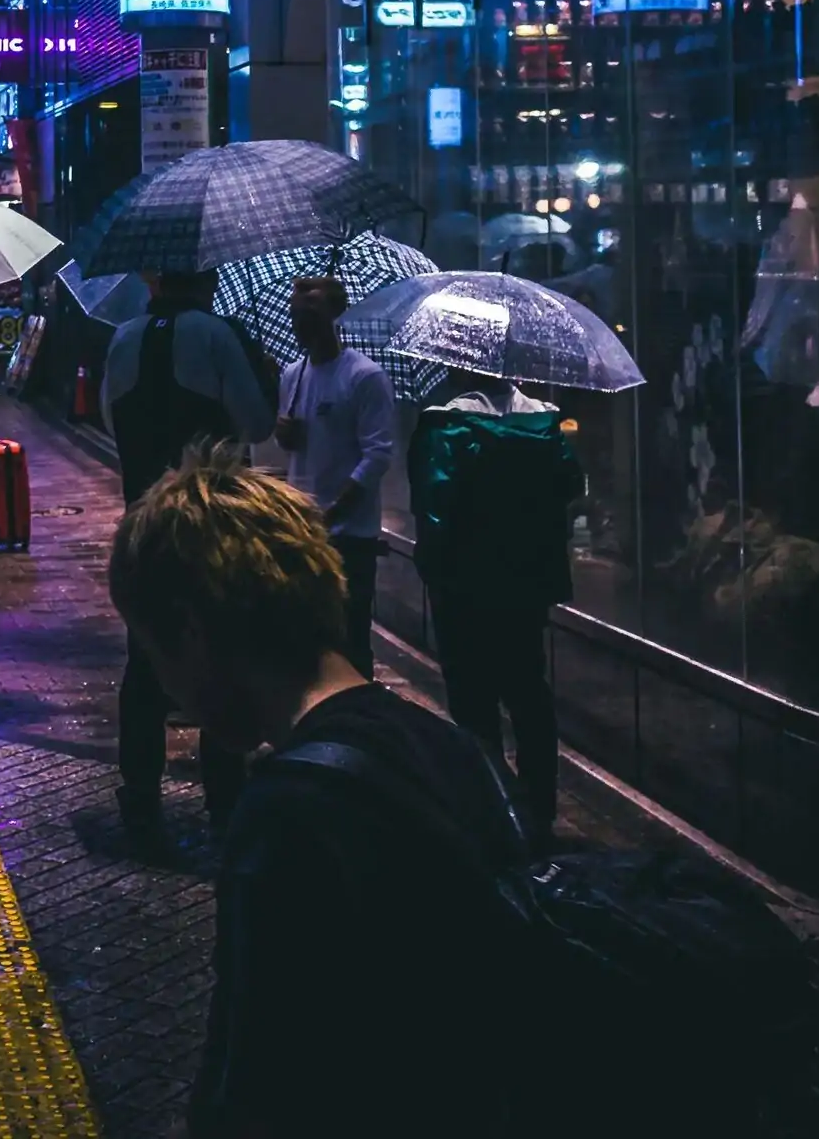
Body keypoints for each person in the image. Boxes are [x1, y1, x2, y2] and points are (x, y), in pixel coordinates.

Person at [110, 462, 528, 1139]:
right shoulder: (455, 748)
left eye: (157, 659)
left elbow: (251, 1093)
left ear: (190, 631)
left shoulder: (287, 814)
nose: (172, 699)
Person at [104, 271, 273, 843]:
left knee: (146, 658)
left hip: (144, 520)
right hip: (210, 523)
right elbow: (257, 423)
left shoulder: (123, 336)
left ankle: (140, 793)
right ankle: (224, 798)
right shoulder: (218, 334)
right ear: (204, 278)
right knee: (222, 652)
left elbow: (110, 422)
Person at [408, 375, 581, 849]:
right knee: (528, 692)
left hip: (464, 588)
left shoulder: (448, 425)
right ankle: (541, 809)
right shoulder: (542, 420)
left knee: (473, 700)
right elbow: (570, 483)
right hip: (525, 585)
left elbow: (434, 507)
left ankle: (494, 808)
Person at [276, 276, 400, 677]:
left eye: (309, 312)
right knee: (308, 638)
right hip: (302, 532)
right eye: (295, 313)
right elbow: (294, 448)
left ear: (334, 314)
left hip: (349, 536)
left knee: (350, 639)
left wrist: (332, 513)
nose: (299, 322)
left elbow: (378, 454)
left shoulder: (364, 377)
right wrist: (284, 435)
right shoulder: (292, 375)